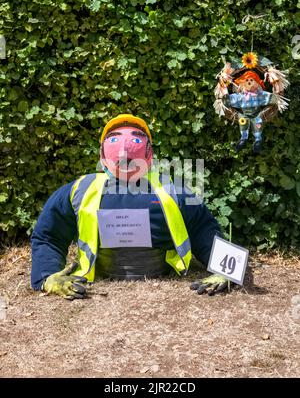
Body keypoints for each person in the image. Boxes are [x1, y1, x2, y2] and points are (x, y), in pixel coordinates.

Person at [31, 114, 229, 300]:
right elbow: (49, 235)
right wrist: (47, 275)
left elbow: (203, 227)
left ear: (149, 152)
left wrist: (225, 269)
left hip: (161, 269)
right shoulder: (80, 189)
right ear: (102, 153)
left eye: (135, 139)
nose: (124, 148)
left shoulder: (171, 189)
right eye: (115, 139)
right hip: (100, 272)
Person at [225, 70, 278, 153]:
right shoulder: (240, 96)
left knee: (258, 121)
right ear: (242, 83)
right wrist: (226, 100)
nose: (249, 82)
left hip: (256, 114)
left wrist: (274, 98)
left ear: (257, 83)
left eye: (251, 80)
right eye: (246, 80)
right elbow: (232, 99)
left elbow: (268, 97)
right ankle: (243, 138)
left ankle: (258, 139)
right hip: (244, 114)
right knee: (242, 120)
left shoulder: (259, 95)